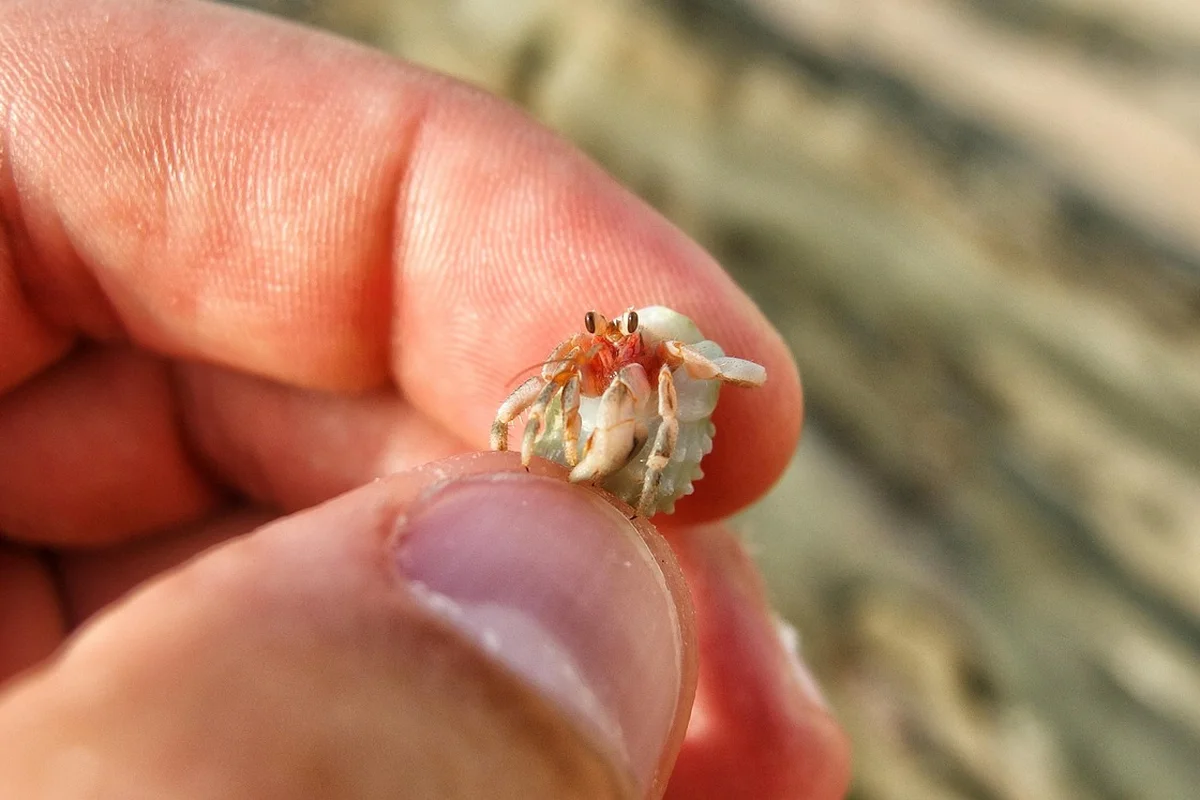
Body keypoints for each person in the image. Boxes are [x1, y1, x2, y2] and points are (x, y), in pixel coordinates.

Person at [0, 1, 850, 797]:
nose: (605, 352)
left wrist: (697, 398)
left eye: (617, 348)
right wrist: (523, 422)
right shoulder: (596, 356)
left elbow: (720, 379)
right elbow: (555, 382)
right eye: (603, 344)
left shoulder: (655, 370)